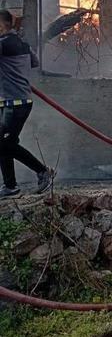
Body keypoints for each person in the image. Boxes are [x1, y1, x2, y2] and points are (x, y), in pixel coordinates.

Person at [0, 10, 53, 198]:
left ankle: (43, 171)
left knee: (5, 143)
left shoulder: (3, 44)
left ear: (2, 24)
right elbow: (34, 62)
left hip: (15, 103)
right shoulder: (22, 44)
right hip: (13, 101)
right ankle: (10, 186)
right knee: (6, 142)